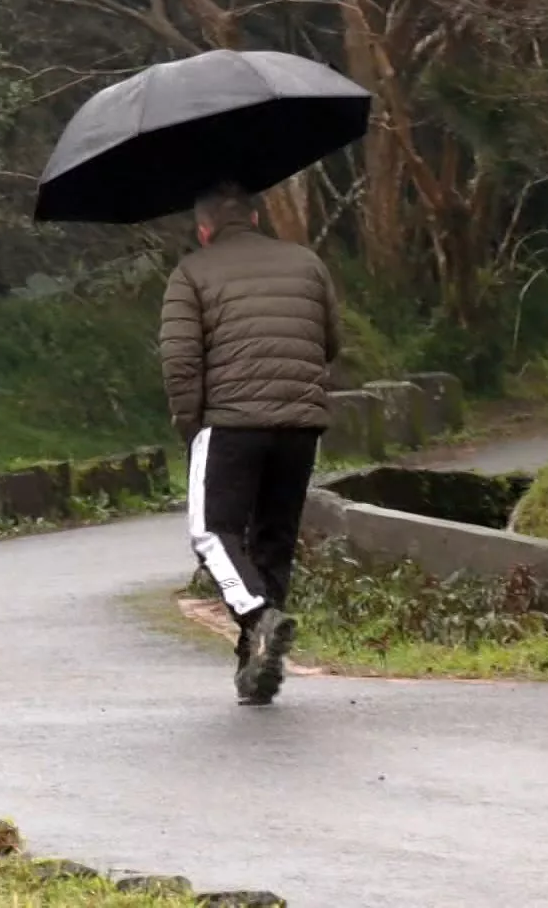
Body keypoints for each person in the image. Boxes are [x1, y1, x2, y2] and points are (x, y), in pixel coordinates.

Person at [159, 183, 341, 706]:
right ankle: (254, 660)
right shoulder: (307, 262)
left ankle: (258, 615)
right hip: (300, 425)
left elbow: (180, 361)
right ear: (256, 218)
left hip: (231, 423)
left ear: (204, 229)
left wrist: (190, 426)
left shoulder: (191, 272)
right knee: (273, 538)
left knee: (211, 533)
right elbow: (330, 341)